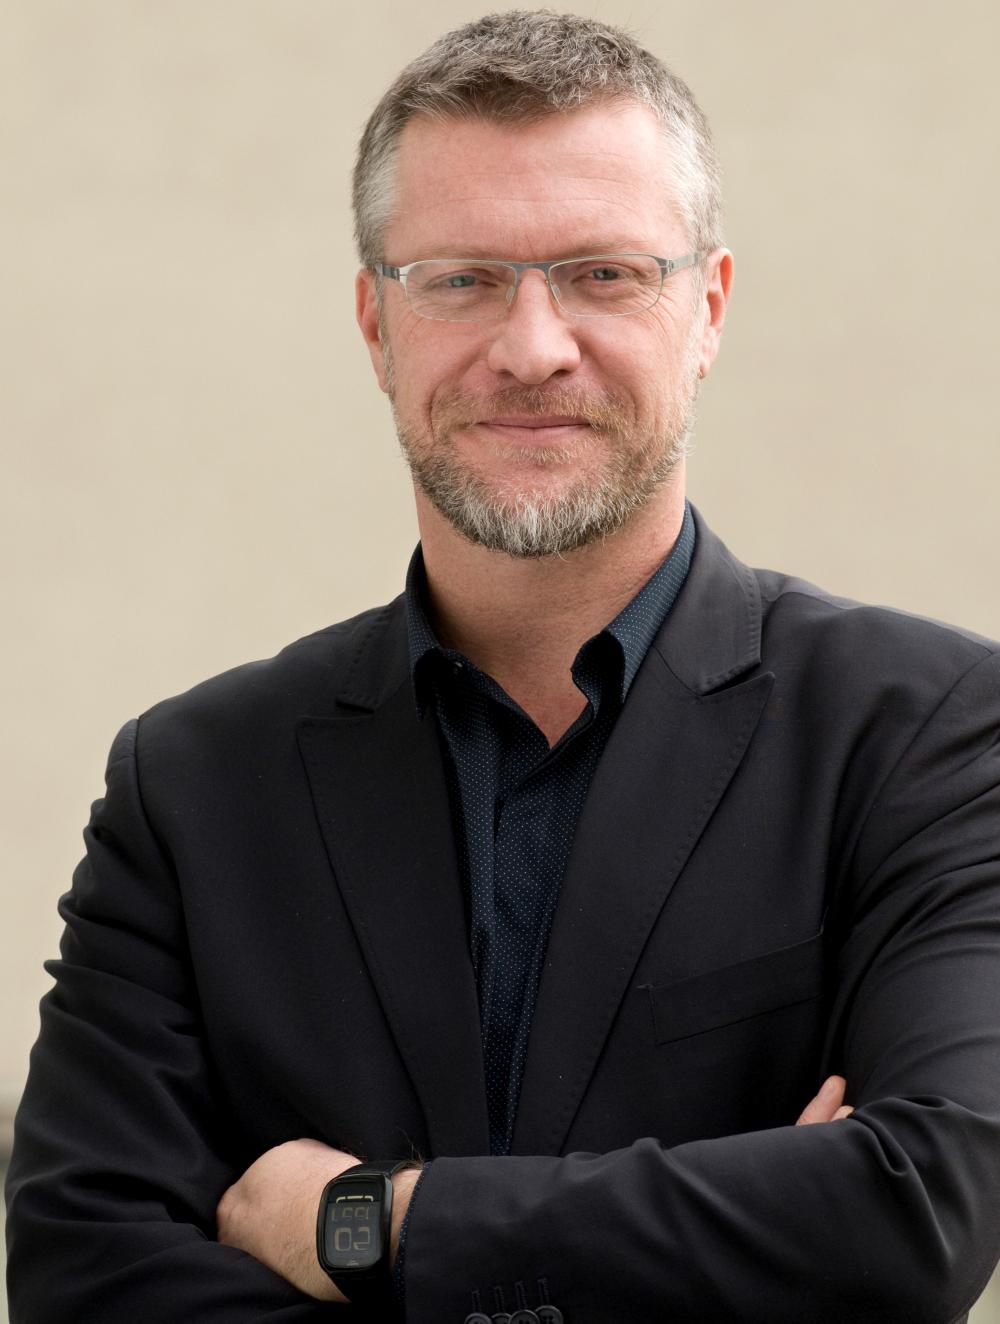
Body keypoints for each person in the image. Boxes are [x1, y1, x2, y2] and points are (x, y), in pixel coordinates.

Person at [6, 10, 1000, 1322]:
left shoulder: (928, 733)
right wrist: (753, 1225)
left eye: (603, 274)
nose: (533, 347)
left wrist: (370, 1225)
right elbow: (81, 1276)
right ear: (376, 324)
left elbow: (917, 1212)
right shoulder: (191, 787)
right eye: (462, 279)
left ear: (706, 309)